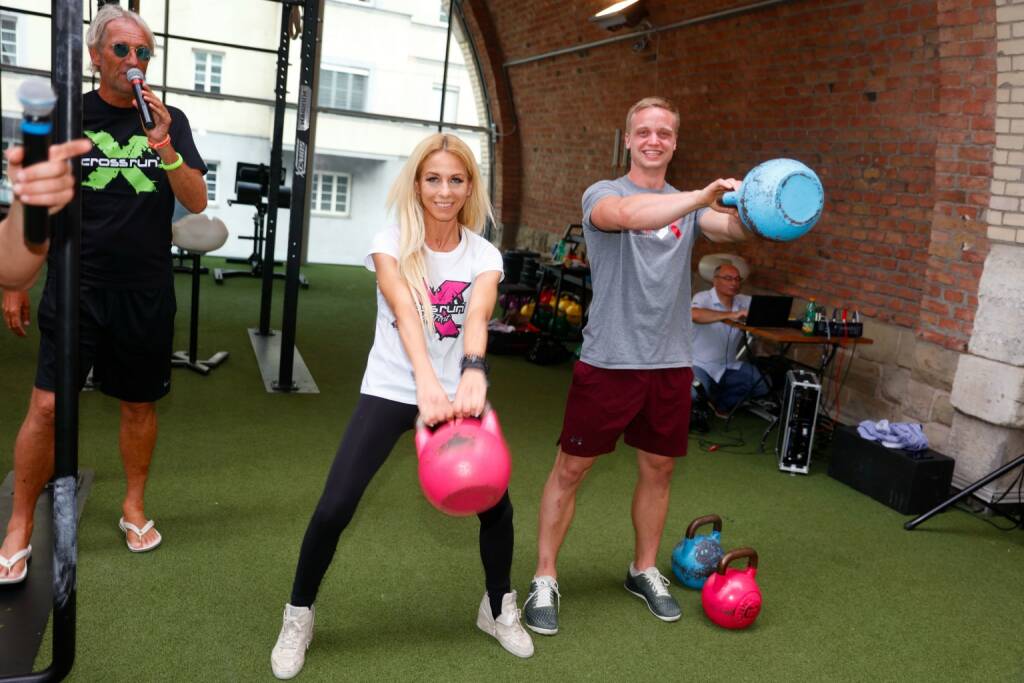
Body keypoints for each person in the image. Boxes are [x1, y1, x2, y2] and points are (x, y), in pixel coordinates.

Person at [269, 133, 532, 680]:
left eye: (455, 180)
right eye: (433, 179)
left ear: (469, 187)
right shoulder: (390, 241)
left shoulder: (483, 253)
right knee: (336, 505)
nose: (444, 190)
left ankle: (497, 606)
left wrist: (472, 372)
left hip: (460, 389)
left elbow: (478, 317)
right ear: (417, 182)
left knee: (496, 506)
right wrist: (424, 383)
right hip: (393, 383)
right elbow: (408, 315)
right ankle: (298, 615)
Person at [523, 96, 750, 634]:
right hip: (610, 359)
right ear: (627, 140)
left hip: (671, 361)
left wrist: (755, 202)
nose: (653, 139)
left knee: (659, 468)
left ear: (674, 142)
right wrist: (702, 197)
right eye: (643, 131)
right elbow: (626, 217)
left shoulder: (692, 207)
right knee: (571, 469)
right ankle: (544, 576)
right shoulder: (604, 194)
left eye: (664, 133)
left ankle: (643, 568)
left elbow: (734, 232)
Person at [0, 3, 208, 585]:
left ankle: (133, 507)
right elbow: (32, 201)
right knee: (46, 405)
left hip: (144, 287)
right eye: (122, 50)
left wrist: (164, 145)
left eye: (143, 52)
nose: (134, 61)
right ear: (96, 57)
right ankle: (18, 523)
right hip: (76, 282)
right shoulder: (69, 116)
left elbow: (195, 200)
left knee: (139, 404)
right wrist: (15, 279)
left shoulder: (169, 120)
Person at [0, 140, 93, 291]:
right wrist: (27, 199)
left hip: (144, 294)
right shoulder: (57, 122)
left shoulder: (145, 124)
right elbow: (10, 277)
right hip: (66, 285)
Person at [691, 262, 769, 415]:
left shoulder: (744, 301)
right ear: (715, 280)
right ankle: (706, 396)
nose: (734, 283)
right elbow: (695, 314)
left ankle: (719, 403)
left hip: (728, 365)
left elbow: (767, 310)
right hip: (699, 364)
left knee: (762, 385)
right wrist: (730, 315)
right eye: (728, 278)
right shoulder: (703, 297)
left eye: (737, 279)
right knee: (693, 395)